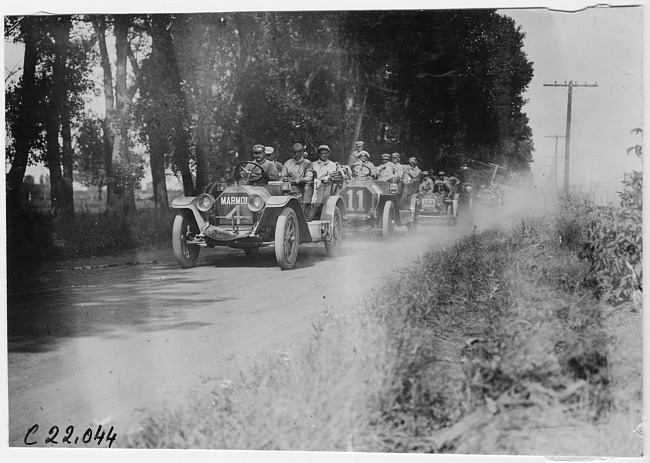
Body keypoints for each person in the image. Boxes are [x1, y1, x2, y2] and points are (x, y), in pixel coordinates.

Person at [305, 145, 343, 220]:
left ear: (328, 154)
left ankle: (309, 216)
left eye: (325, 153)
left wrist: (323, 179)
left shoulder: (332, 165)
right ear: (318, 154)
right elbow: (309, 173)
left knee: (317, 201)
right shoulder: (313, 164)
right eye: (321, 153)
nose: (323, 155)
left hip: (325, 186)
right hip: (312, 185)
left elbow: (330, 175)